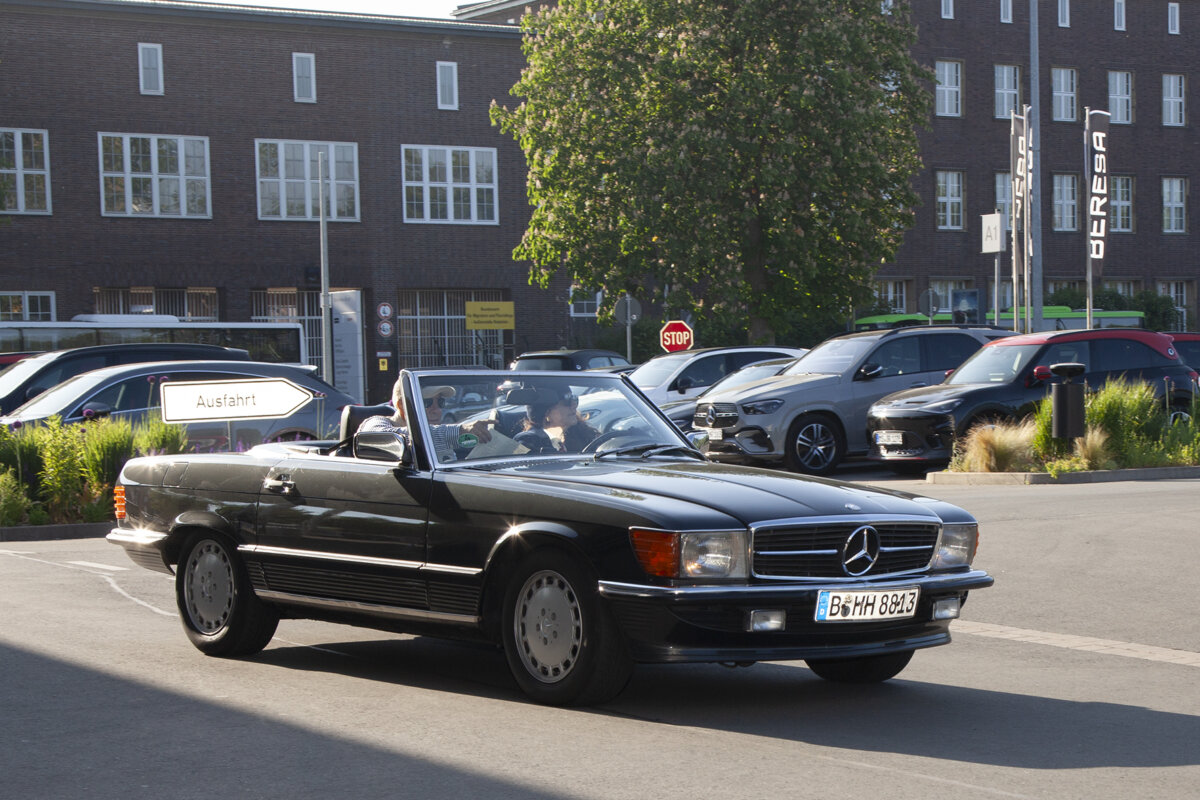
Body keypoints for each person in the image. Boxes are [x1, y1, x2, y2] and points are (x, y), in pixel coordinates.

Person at [359, 378, 492, 463]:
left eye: (440, 402)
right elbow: (388, 437)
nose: (436, 410)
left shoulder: (435, 433)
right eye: (427, 402)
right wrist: (460, 430)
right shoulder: (375, 423)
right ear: (402, 406)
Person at [514, 388, 597, 454]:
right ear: (546, 413)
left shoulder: (583, 434)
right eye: (566, 402)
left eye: (574, 399)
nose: (574, 405)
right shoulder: (528, 442)